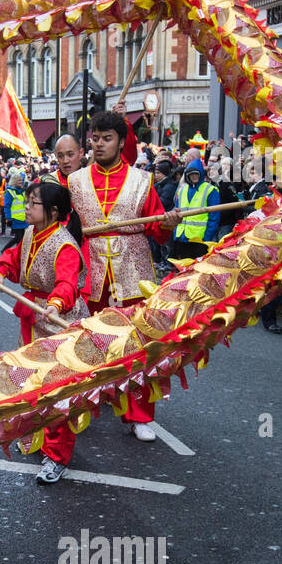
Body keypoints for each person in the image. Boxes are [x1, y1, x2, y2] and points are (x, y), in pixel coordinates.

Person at [66, 110, 181, 440]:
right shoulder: (75, 181)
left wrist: (168, 223)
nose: (99, 144)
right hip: (96, 275)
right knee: (93, 344)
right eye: (95, 138)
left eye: (107, 139)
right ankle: (92, 400)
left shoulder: (142, 181)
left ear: (121, 141)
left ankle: (139, 415)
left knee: (139, 347)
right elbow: (63, 227)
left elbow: (157, 230)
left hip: (134, 273)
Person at [0, 179, 88, 483]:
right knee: (31, 382)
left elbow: (67, 282)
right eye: (28, 201)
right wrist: (1, 270)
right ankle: (36, 436)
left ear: (54, 212)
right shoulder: (32, 232)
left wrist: (57, 303)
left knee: (58, 390)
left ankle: (57, 457)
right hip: (34, 315)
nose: (27, 207)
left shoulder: (65, 245)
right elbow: (16, 255)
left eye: (34, 203)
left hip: (58, 322)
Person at [169, 152, 220, 260]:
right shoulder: (182, 190)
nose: (194, 176)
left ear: (201, 174)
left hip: (198, 239)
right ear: (187, 175)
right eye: (191, 174)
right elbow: (177, 211)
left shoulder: (210, 190)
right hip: (181, 237)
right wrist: (175, 233)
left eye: (196, 174)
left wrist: (206, 238)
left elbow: (214, 217)